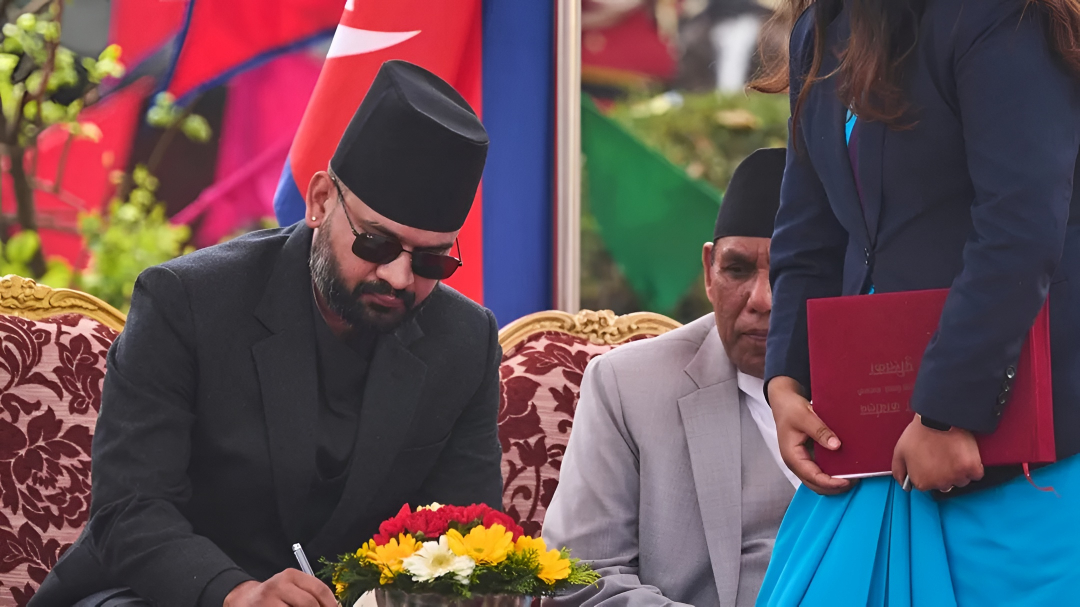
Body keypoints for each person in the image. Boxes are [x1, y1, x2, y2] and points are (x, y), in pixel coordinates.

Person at [30, 60, 504, 607]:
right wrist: (238, 594)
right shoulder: (187, 301)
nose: (399, 277)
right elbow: (130, 508)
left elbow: (465, 533)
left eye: (430, 261)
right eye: (376, 243)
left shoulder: (464, 340)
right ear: (320, 201)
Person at [756, 0, 1080, 604]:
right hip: (873, 448)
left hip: (1025, 459)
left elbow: (1020, 232)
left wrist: (946, 413)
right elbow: (808, 231)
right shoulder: (820, 27)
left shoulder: (1003, 15)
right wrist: (786, 382)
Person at [542, 149, 799, 607]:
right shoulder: (628, 387)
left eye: (788, 272)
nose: (762, 299)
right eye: (737, 269)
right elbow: (579, 578)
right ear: (709, 271)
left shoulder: (890, 386)